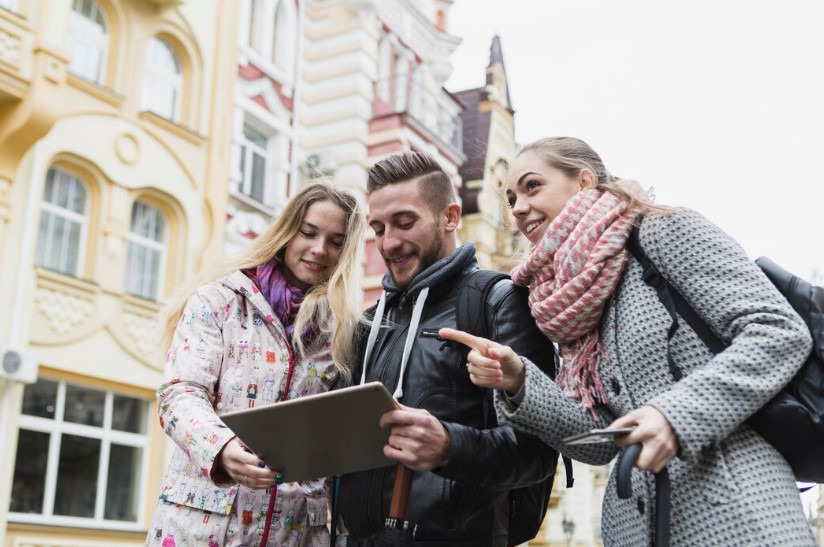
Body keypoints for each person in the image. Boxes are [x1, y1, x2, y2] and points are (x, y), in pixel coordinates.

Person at [439, 136, 816, 545]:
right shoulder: (567, 300)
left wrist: (673, 415)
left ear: (583, 182)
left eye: (532, 186)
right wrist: (518, 382)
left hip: (735, 509)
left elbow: (777, 331)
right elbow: (601, 442)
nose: (519, 208)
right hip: (636, 527)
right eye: (511, 199)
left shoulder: (662, 229)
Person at [338, 151, 559, 546]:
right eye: (378, 228)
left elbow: (538, 453)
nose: (389, 242)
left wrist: (449, 446)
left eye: (405, 223)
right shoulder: (370, 323)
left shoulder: (500, 301)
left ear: (450, 217)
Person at [147, 181, 364, 546]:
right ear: (286, 230)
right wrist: (221, 448)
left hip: (296, 533)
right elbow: (179, 393)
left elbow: (338, 445)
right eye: (307, 232)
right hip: (203, 529)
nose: (318, 249)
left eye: (336, 241)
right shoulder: (220, 299)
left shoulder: (342, 331)